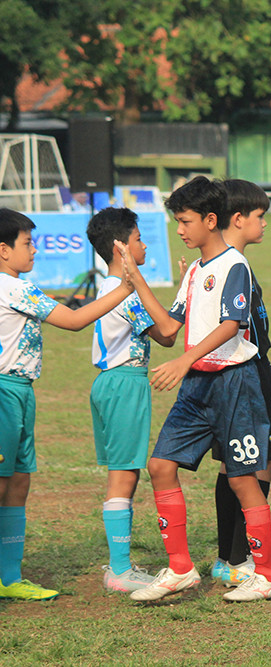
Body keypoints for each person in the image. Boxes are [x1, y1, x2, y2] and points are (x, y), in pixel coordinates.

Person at [122, 176, 271, 602]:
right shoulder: (194, 271)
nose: (179, 230)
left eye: (185, 221)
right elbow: (169, 329)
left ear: (211, 220)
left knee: (242, 479)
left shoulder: (235, 266)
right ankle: (180, 568)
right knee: (160, 466)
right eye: (177, 221)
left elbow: (232, 325)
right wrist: (136, 281)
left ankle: (265, 575)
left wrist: (183, 361)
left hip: (234, 384)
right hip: (197, 387)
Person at [0, 208, 135, 601]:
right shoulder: (13, 288)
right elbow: (74, 321)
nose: (34, 251)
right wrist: (125, 289)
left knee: (18, 482)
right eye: (27, 243)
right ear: (3, 250)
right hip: (5, 393)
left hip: (21, 391)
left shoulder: (14, 287)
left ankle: (9, 577)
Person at [199, 180, 271, 589]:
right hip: (243, 376)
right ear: (237, 219)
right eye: (260, 216)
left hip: (249, 371)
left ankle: (231, 558)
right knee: (253, 464)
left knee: (240, 463)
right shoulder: (233, 265)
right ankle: (238, 559)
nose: (265, 223)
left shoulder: (229, 263)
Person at [85, 208, 177, 593]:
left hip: (114, 382)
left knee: (124, 472)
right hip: (124, 382)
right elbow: (168, 334)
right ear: (120, 247)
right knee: (123, 475)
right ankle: (120, 570)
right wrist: (185, 296)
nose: (145, 245)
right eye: (139, 239)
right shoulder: (124, 293)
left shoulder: (110, 289)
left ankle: (121, 566)